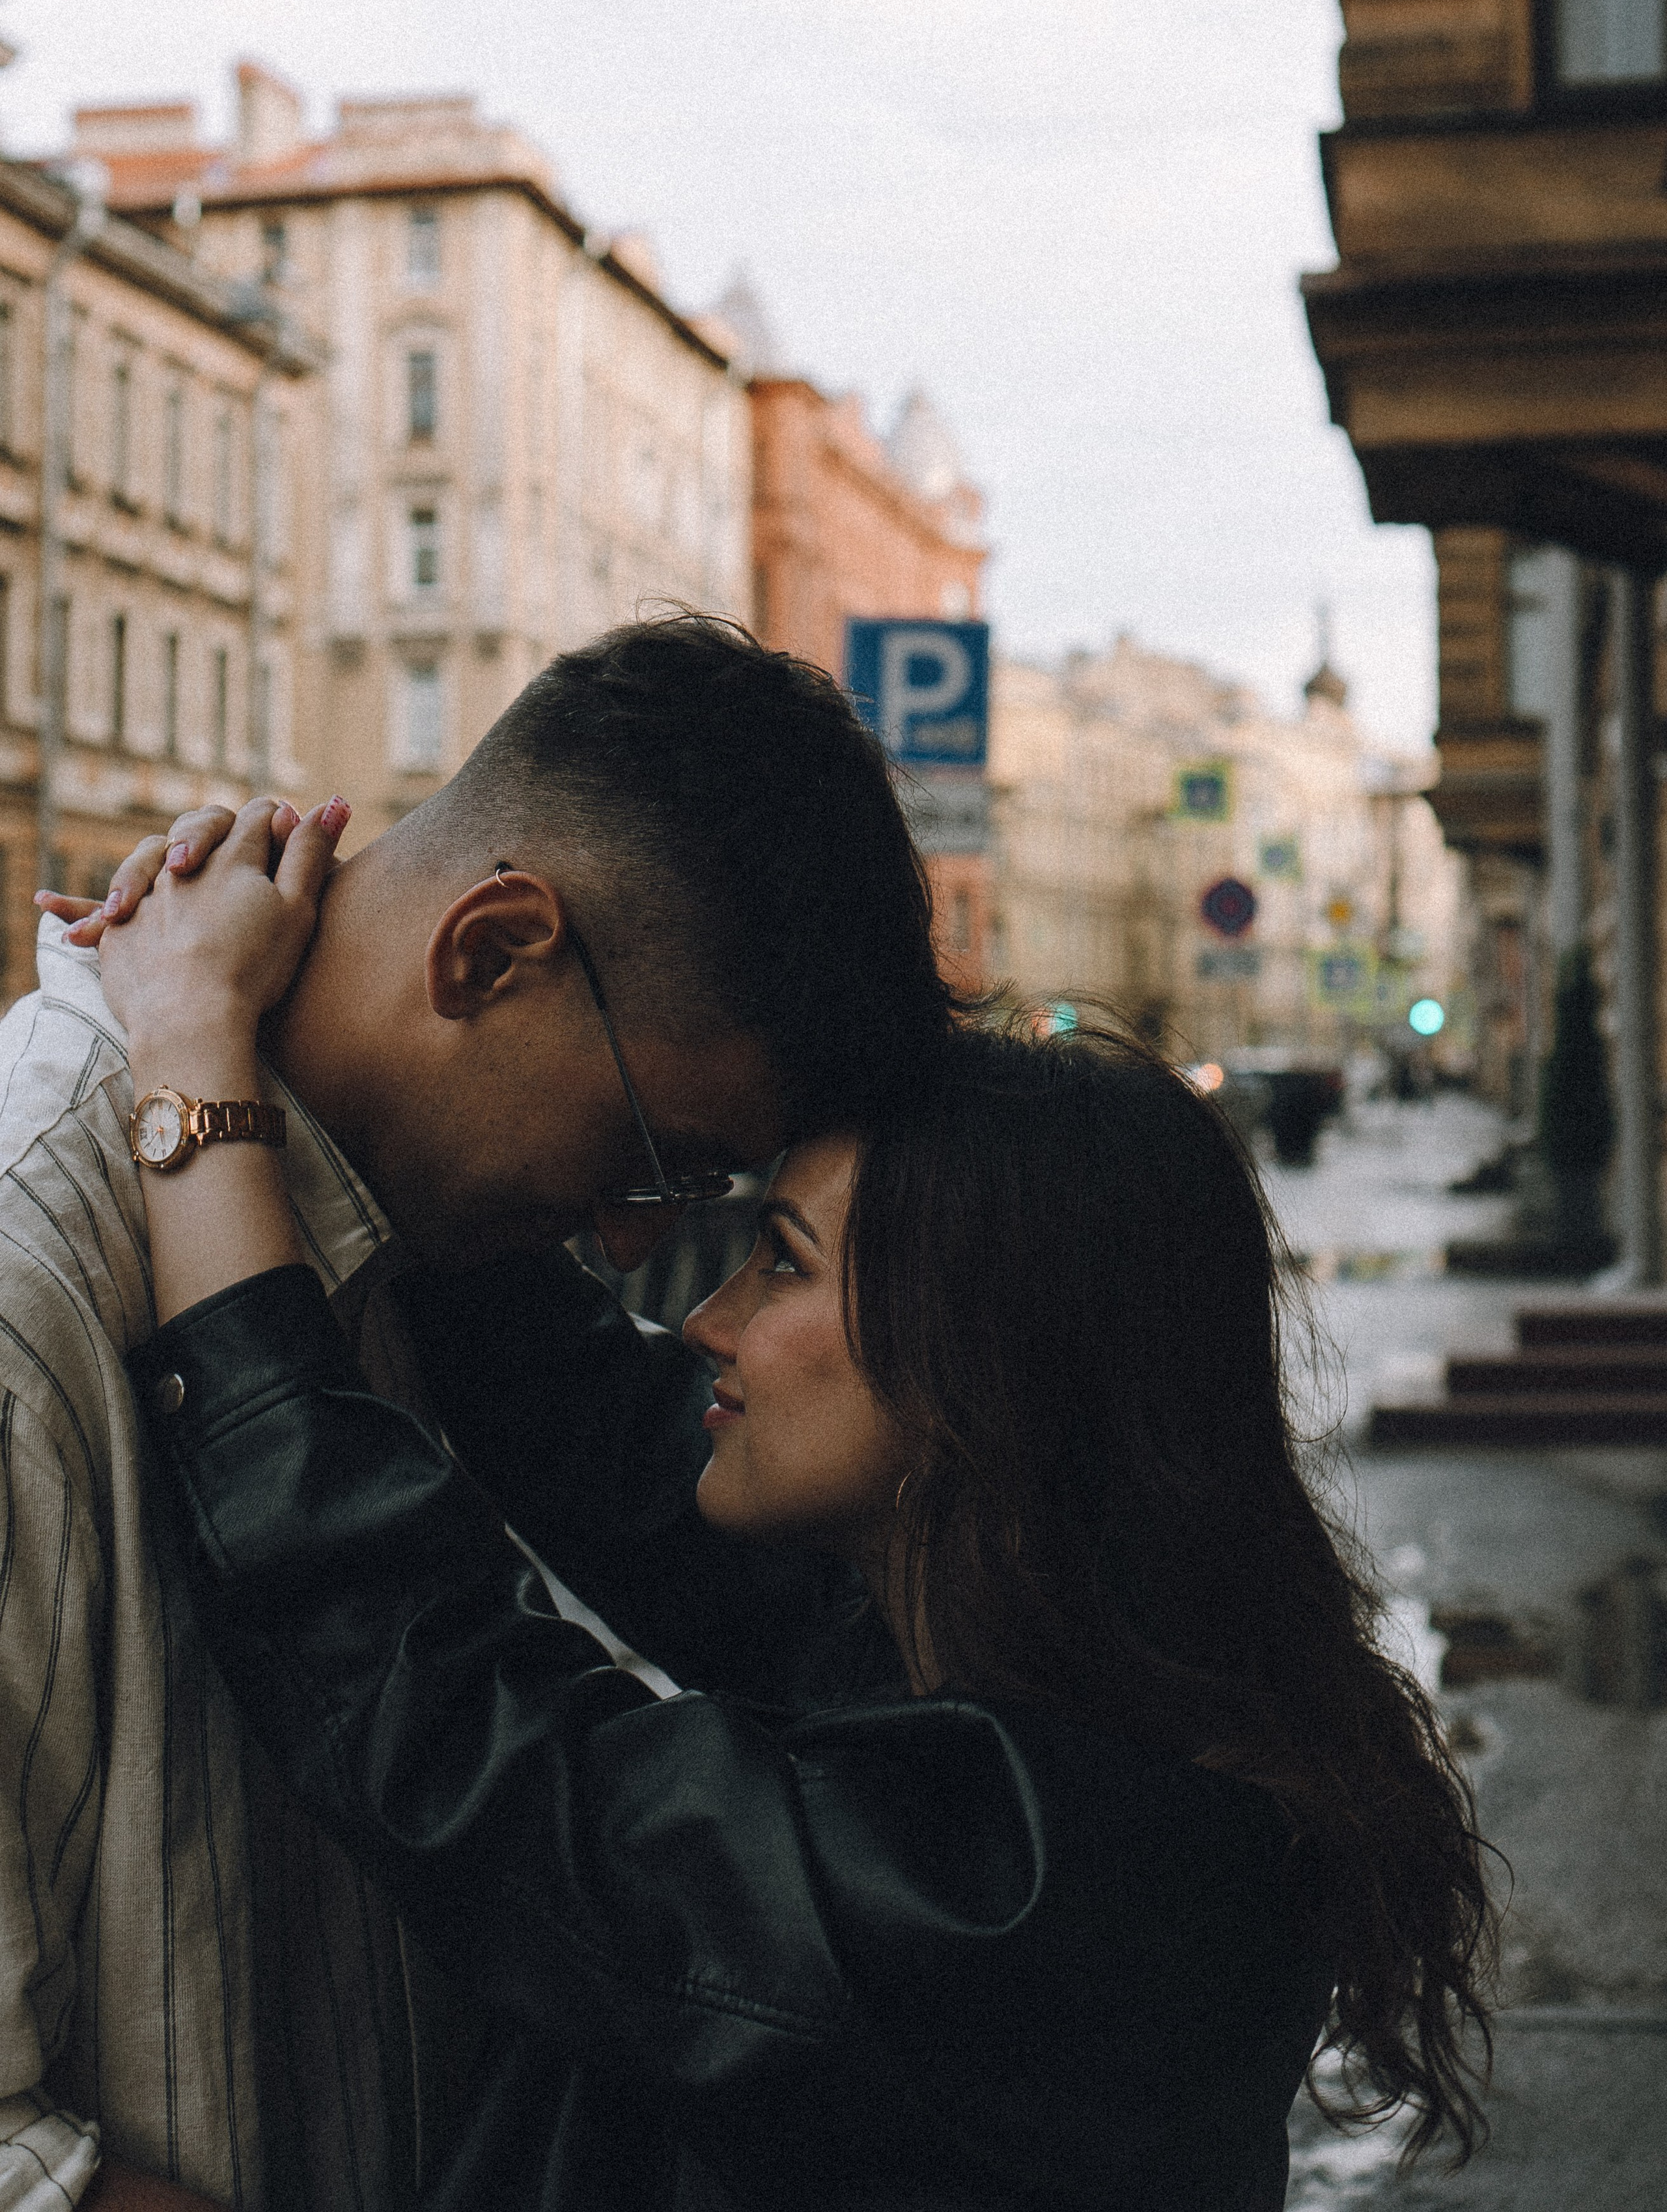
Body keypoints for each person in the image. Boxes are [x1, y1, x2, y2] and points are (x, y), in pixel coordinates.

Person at [88, 800, 1492, 2211]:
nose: (704, 1316)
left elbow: (455, 1726)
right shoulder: (1008, 1648)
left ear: (974, 1366)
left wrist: (196, 1065)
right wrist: (373, 1035)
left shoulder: (1031, 1885)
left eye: (781, 1260)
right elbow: (592, 1426)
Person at [0, 617, 952, 2211]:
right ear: (490, 953)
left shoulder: (412, 1248)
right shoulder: (31, 1282)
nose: (639, 1251)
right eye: (662, 1157)